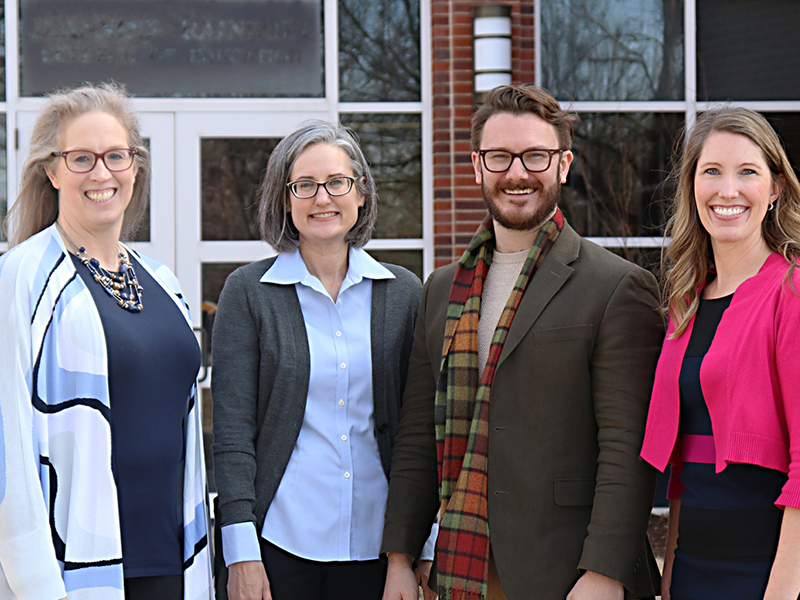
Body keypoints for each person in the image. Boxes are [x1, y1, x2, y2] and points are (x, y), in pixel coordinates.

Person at [380, 84, 664, 600]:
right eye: (499, 157)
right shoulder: (441, 289)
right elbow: (419, 434)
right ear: (476, 166)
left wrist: (603, 573)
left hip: (569, 572)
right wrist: (400, 556)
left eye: (535, 155)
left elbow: (628, 450)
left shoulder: (616, 287)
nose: (516, 173)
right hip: (463, 568)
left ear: (563, 165)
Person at [0, 83, 212, 599]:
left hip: (171, 557)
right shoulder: (20, 278)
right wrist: (34, 581)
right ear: (51, 171)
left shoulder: (164, 281)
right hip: (74, 567)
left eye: (116, 155)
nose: (101, 173)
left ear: (135, 167)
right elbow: (6, 443)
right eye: (81, 158)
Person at [211, 119, 436, 600]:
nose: (322, 198)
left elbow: (422, 432)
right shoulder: (248, 293)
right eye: (305, 185)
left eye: (336, 182)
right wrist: (240, 552)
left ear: (361, 194)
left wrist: (425, 543)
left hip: (381, 550)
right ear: (285, 199)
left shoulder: (404, 295)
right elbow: (232, 432)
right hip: (278, 547)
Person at [640, 107, 800, 599]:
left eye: (747, 172)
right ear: (692, 186)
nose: (727, 190)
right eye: (711, 171)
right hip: (691, 570)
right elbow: (689, 453)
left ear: (774, 188)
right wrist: (670, 578)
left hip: (765, 572)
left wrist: (784, 590)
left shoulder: (790, 291)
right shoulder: (686, 302)